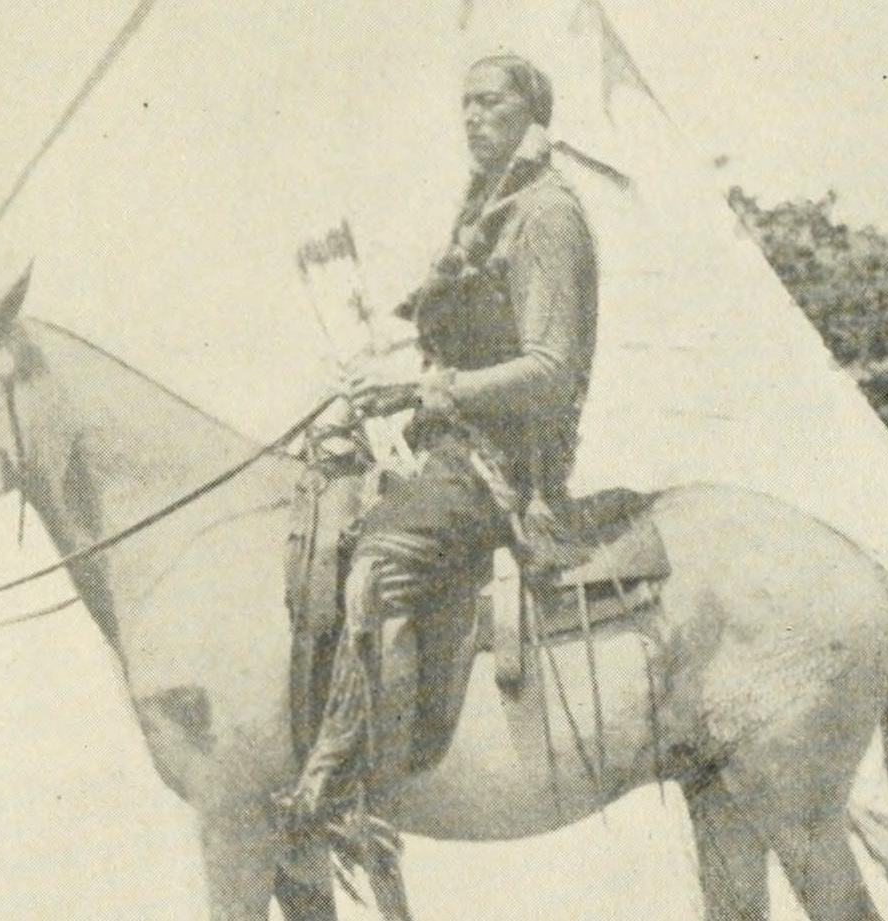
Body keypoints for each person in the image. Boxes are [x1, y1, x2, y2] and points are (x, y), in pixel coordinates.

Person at [279, 53, 598, 826]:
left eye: (489, 102)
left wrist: (432, 390)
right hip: (449, 447)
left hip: (505, 469)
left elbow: (551, 369)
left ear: (531, 112)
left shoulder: (545, 215)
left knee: (375, 565)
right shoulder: (488, 208)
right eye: (464, 103)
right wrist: (381, 375)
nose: (471, 116)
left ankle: (344, 781)